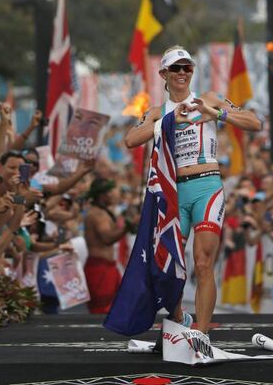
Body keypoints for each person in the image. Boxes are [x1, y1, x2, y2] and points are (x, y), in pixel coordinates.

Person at [124, 45, 262, 335]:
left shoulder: (208, 99)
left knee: (202, 262)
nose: (183, 73)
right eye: (176, 68)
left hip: (207, 187)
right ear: (164, 73)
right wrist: (169, 121)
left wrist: (215, 114)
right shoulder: (156, 112)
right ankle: (180, 319)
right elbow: (131, 139)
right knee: (171, 267)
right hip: (173, 192)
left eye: (188, 67)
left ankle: (201, 333)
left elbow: (254, 122)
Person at [84, 178, 130, 314]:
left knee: (117, 307)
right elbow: (107, 238)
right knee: (102, 311)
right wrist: (127, 227)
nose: (113, 194)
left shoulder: (104, 212)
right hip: (100, 269)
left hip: (108, 267)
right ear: (101, 195)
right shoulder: (97, 214)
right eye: (109, 191)